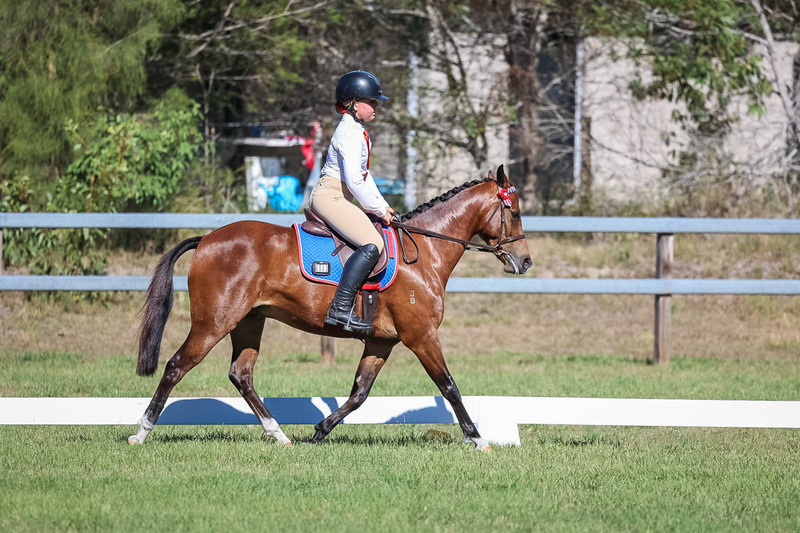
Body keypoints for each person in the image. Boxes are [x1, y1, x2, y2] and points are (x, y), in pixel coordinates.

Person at [310, 70, 396, 335]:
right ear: (355, 102)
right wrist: (378, 209)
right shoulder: (348, 133)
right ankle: (341, 308)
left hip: (341, 195)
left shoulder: (357, 130)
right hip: (331, 196)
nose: (376, 106)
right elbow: (355, 182)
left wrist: (383, 205)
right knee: (373, 243)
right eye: (372, 101)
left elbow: (363, 175)